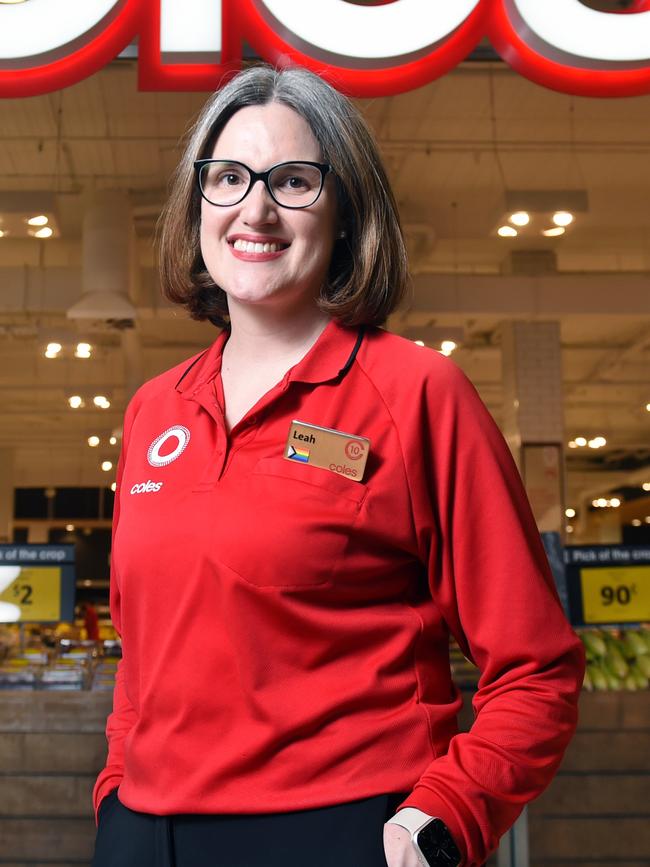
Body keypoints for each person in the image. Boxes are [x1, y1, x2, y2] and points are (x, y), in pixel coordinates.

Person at [91, 63, 585, 867]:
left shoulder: (418, 392)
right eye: (228, 178)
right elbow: (144, 655)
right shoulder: (155, 409)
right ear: (198, 205)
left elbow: (538, 667)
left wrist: (444, 815)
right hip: (144, 833)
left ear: (345, 210)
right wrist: (116, 791)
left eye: (293, 181)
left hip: (339, 829)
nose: (256, 208)